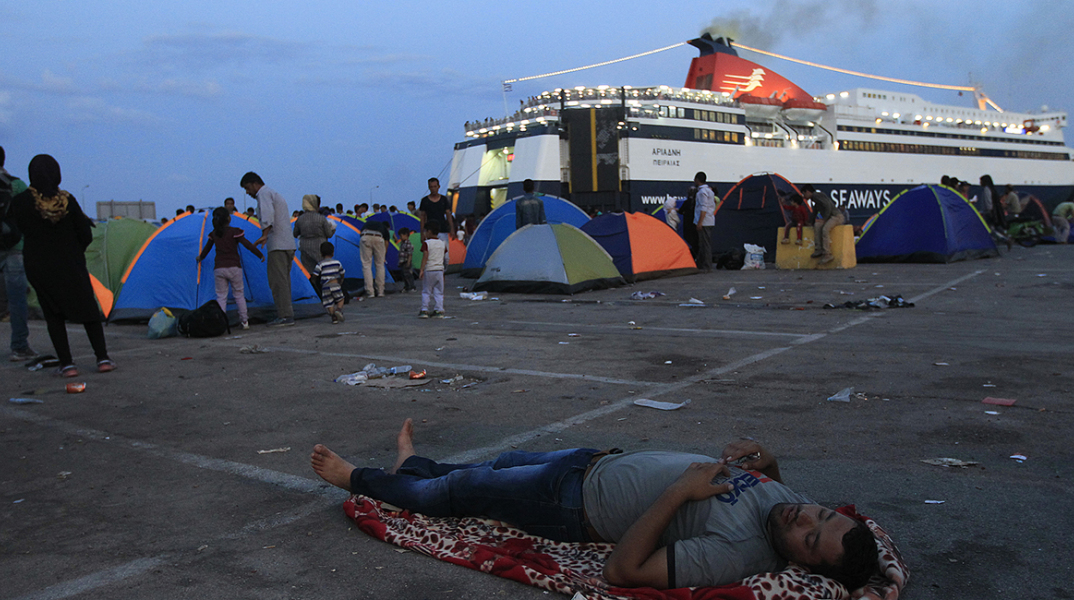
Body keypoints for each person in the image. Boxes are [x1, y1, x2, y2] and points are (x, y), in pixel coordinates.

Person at [310, 420, 881, 591]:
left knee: (451, 495)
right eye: (822, 515)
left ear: (800, 563)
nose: (805, 518)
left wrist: (679, 492)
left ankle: (356, 478)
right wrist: (770, 462)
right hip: (590, 462)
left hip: (569, 502)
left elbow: (622, 572)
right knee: (488, 468)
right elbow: (780, 494)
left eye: (810, 538)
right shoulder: (791, 505)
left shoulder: (738, 553)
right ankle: (409, 466)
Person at [9, 154, 114, 376]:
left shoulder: (21, 202)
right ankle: (103, 358)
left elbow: (19, 230)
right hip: (70, 263)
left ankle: (67, 365)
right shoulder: (67, 200)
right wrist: (73, 251)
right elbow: (85, 233)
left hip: (39, 265)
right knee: (88, 310)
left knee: (53, 314)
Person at [240, 172, 295, 327]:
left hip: (277, 244)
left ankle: (285, 315)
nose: (247, 192)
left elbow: (267, 215)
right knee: (284, 281)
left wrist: (264, 234)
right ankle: (287, 312)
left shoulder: (263, 194)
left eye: (247, 188)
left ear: (254, 184)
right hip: (287, 243)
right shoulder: (273, 193)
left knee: (278, 282)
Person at [196, 207, 263, 330]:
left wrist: (200, 258)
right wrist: (260, 255)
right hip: (234, 267)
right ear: (228, 218)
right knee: (239, 295)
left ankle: (221, 323)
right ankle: (244, 321)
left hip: (219, 268)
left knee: (221, 297)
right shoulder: (234, 232)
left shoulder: (214, 234)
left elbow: (206, 249)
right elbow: (247, 245)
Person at [0, 146, 36, 361]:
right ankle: (20, 346)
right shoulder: (16, 184)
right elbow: (30, 216)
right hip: (14, 248)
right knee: (17, 300)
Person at [293, 194, 337, 275]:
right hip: (320, 248)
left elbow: (295, 234)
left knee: (308, 273)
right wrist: (333, 229)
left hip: (305, 248)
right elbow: (329, 234)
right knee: (322, 270)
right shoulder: (321, 218)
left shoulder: (300, 219)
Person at [800, 184, 844, 264]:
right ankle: (818, 249)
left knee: (825, 230)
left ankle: (827, 254)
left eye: (804, 194)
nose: (804, 196)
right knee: (817, 226)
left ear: (808, 191)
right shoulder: (815, 199)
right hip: (829, 217)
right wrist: (810, 222)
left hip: (836, 216)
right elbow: (815, 212)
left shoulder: (816, 195)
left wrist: (824, 218)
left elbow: (828, 206)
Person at [419, 177, 454, 264]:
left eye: (435, 186)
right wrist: (422, 232)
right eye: (431, 187)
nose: (433, 189)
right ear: (429, 187)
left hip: (442, 229)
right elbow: (422, 217)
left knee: (446, 256)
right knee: (431, 254)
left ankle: (443, 270)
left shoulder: (444, 200)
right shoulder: (425, 201)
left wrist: (452, 229)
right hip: (430, 231)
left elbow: (448, 215)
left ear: (438, 187)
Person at [313, 241, 346, 323]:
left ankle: (334, 317)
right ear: (333, 253)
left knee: (329, 302)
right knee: (340, 299)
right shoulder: (337, 263)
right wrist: (341, 279)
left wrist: (314, 281)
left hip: (325, 286)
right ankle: (338, 310)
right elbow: (342, 272)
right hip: (335, 284)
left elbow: (315, 274)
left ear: (321, 254)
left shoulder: (320, 264)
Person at [418, 222, 446, 318]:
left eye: (425, 231)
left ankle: (424, 309)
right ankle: (439, 309)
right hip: (439, 270)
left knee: (426, 291)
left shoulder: (427, 243)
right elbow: (444, 256)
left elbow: (425, 257)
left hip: (429, 269)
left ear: (429, 231)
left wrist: (421, 269)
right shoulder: (442, 243)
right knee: (439, 291)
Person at [358, 216, 390, 298]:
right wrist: (384, 255)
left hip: (365, 236)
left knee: (366, 265)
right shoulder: (384, 229)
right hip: (379, 238)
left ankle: (370, 292)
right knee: (380, 265)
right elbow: (386, 242)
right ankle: (380, 291)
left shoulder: (367, 224)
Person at [693, 172, 716, 272]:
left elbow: (703, 208)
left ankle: (706, 266)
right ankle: (702, 264)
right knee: (704, 244)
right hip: (709, 220)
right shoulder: (709, 191)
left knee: (705, 245)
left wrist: (700, 222)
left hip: (704, 221)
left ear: (697, 180)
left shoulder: (702, 192)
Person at [396, 227, 416, 293]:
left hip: (406, 261)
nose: (400, 237)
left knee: (408, 275)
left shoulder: (408, 244)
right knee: (404, 275)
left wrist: (408, 262)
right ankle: (407, 286)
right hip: (402, 261)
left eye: (401, 236)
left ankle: (412, 287)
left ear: (406, 235)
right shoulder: (402, 243)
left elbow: (410, 254)